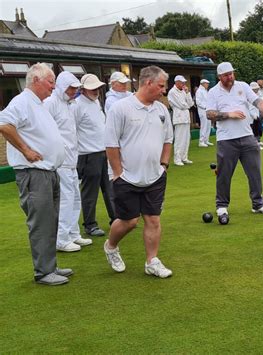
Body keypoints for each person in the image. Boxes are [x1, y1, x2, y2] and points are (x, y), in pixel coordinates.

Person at [0, 63, 73, 285]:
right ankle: (43, 272)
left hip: (48, 171)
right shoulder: (22, 101)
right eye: (50, 81)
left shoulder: (39, 104)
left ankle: (50, 266)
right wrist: (26, 150)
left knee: (50, 221)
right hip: (34, 173)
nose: (53, 86)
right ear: (36, 80)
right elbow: (4, 124)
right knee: (41, 222)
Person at [104, 65, 173, 277]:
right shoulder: (120, 108)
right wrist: (118, 173)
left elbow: (168, 139)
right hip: (126, 177)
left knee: (153, 219)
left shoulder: (161, 110)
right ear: (148, 83)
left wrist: (163, 165)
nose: (164, 90)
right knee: (129, 221)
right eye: (161, 86)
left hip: (155, 176)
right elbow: (111, 144)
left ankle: (151, 261)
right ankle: (111, 246)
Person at [206, 62, 263, 220]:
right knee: (224, 175)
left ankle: (258, 204)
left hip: (247, 137)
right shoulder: (213, 92)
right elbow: (209, 114)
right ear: (219, 77)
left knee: (254, 172)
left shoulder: (243, 86)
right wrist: (229, 114)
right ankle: (222, 205)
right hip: (226, 140)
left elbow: (257, 101)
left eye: (231, 73)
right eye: (226, 75)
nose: (230, 77)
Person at [44, 71, 92, 252]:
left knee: (75, 198)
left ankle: (73, 233)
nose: (73, 92)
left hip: (72, 160)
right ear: (62, 86)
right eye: (71, 88)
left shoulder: (70, 105)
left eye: (75, 88)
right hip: (59, 161)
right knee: (65, 200)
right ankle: (61, 239)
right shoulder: (50, 103)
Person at [75, 74, 115, 236]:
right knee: (90, 191)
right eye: (92, 88)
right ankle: (90, 224)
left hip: (103, 151)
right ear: (83, 90)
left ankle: (115, 218)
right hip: (88, 154)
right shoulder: (77, 105)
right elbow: (73, 130)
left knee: (109, 187)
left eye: (97, 88)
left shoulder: (97, 102)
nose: (96, 91)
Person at [168, 75, 194, 166]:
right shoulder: (172, 92)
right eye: (182, 82)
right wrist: (187, 105)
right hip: (179, 118)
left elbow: (191, 104)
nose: (184, 84)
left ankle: (184, 157)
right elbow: (181, 105)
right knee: (179, 139)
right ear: (177, 82)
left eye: (184, 82)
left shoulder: (184, 91)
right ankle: (177, 159)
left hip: (186, 118)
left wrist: (187, 93)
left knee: (186, 139)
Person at [195, 78, 212, 147]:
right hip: (202, 111)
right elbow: (198, 102)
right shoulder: (199, 91)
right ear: (203, 84)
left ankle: (206, 140)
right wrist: (205, 107)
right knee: (204, 125)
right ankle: (201, 141)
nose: (207, 85)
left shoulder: (205, 91)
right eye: (207, 84)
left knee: (208, 125)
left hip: (207, 110)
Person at [249, 82, 263, 151]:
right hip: (251, 117)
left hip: (256, 115)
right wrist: (254, 115)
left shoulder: (256, 95)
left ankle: (257, 144)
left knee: (257, 130)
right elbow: (249, 107)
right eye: (256, 88)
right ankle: (255, 146)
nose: (257, 89)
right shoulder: (249, 96)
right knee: (253, 132)